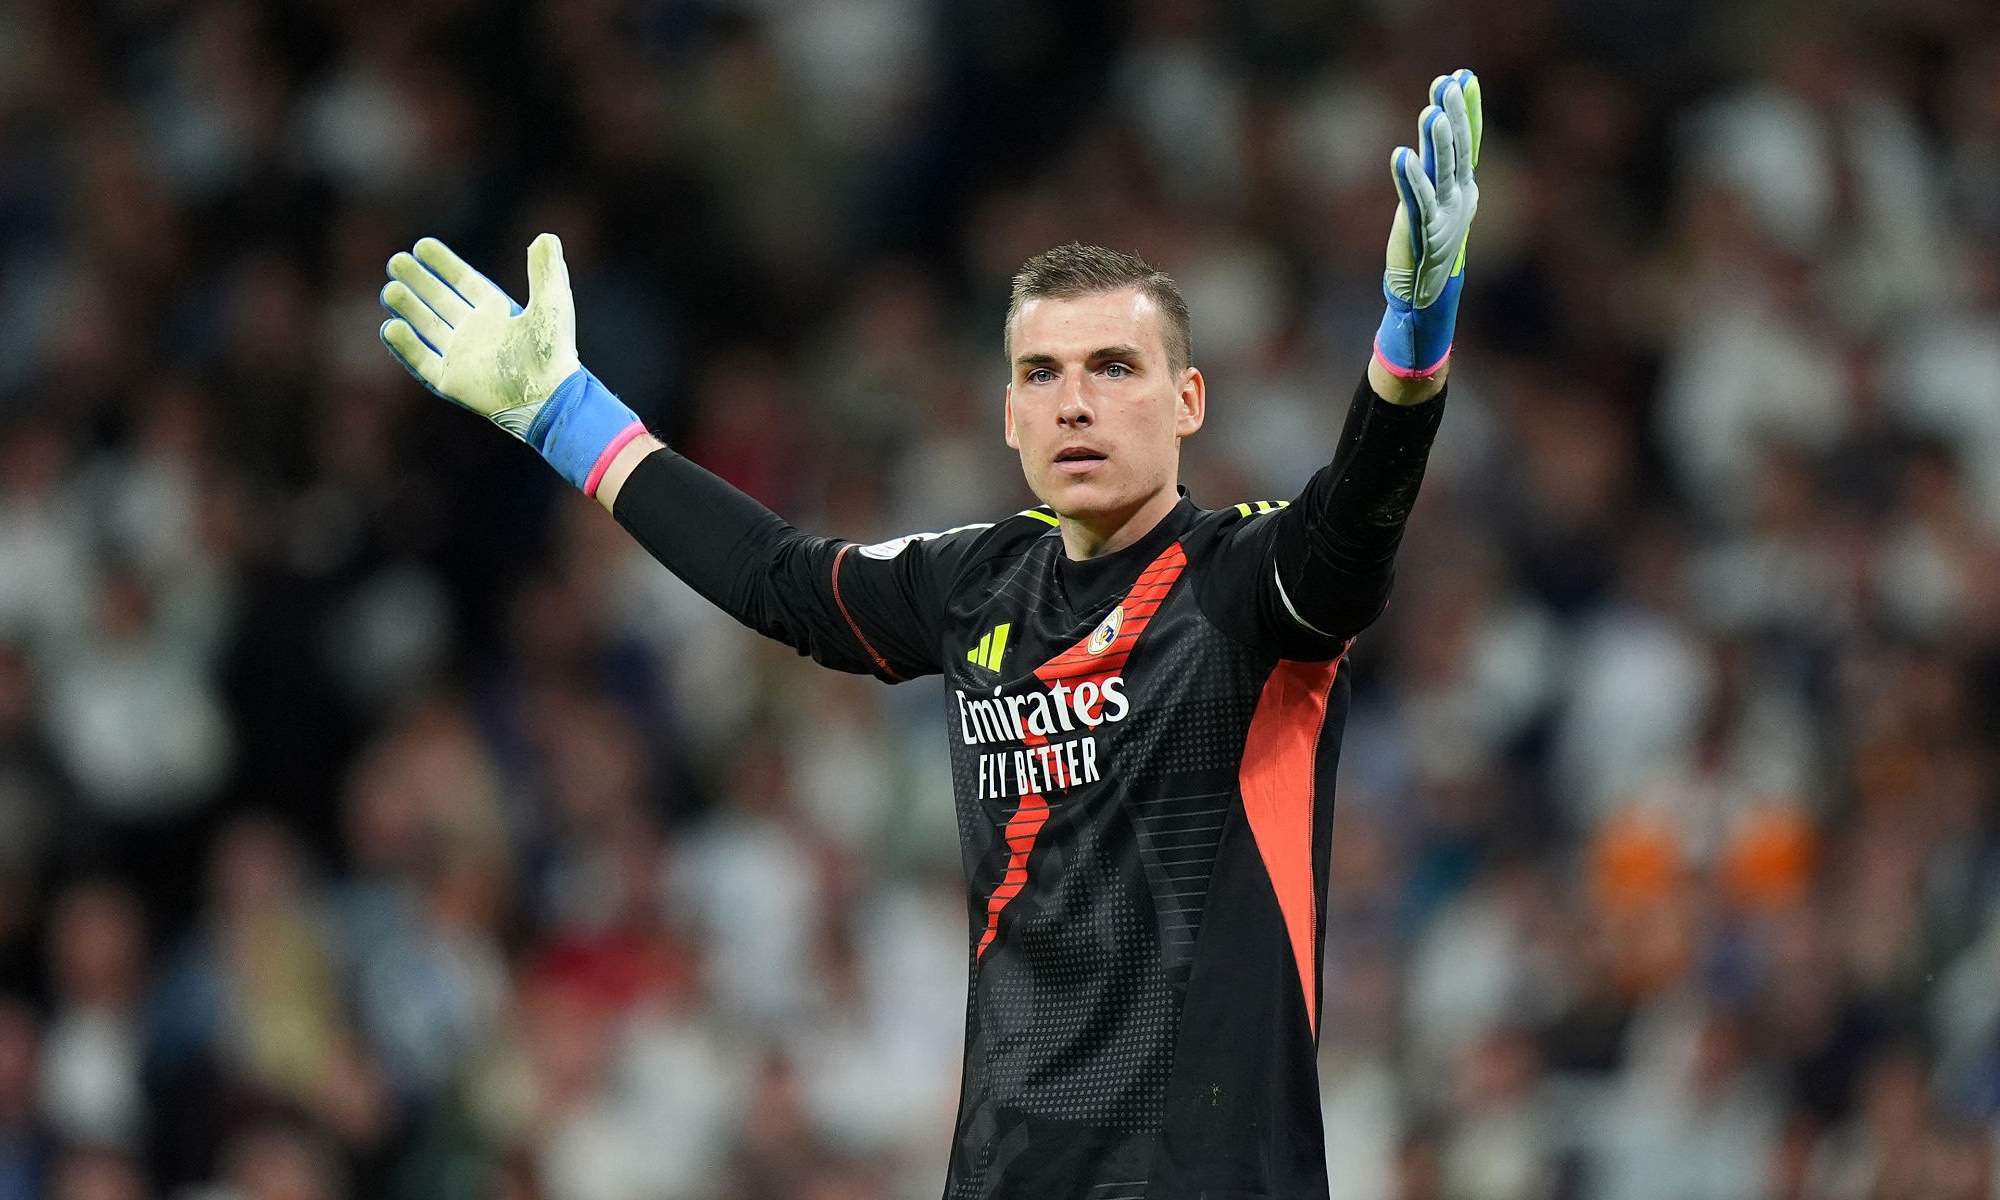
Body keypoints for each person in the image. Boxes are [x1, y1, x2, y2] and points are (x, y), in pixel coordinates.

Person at [379, 67, 1482, 1200]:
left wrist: (1410, 346)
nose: (1074, 403)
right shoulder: (977, 583)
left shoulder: (1242, 582)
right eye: (1040, 375)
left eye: (1114, 368)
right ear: (1006, 416)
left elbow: (1351, 530)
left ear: (1187, 401)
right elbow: (780, 582)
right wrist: (567, 415)